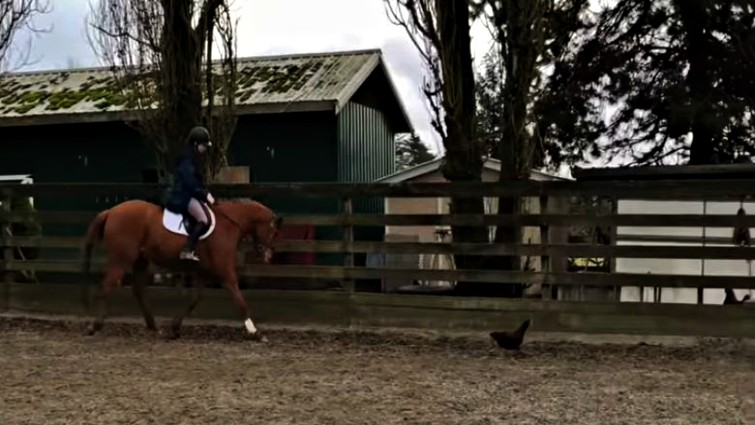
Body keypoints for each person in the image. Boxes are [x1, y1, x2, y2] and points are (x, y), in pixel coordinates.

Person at [165, 126, 216, 261]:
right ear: (195, 144)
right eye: (203, 145)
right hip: (183, 195)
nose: (205, 149)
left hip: (188, 193)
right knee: (203, 219)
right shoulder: (187, 159)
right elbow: (190, 182)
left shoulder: (194, 157)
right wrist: (204, 194)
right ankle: (187, 250)